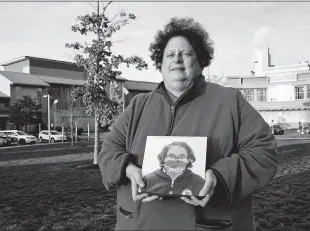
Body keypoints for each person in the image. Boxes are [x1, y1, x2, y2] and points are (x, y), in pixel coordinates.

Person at [98, 16, 278, 230]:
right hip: (139, 223)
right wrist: (127, 168)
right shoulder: (138, 105)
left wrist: (220, 176)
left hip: (207, 223)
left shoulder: (229, 101)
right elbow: (108, 152)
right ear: (161, 64)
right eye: (170, 55)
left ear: (201, 61)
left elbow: (264, 153)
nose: (177, 59)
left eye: (185, 53)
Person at [140, 141, 206, 197]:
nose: (176, 160)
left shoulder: (198, 182)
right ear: (163, 158)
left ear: (188, 160)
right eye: (171, 156)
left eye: (182, 156)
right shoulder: (148, 180)